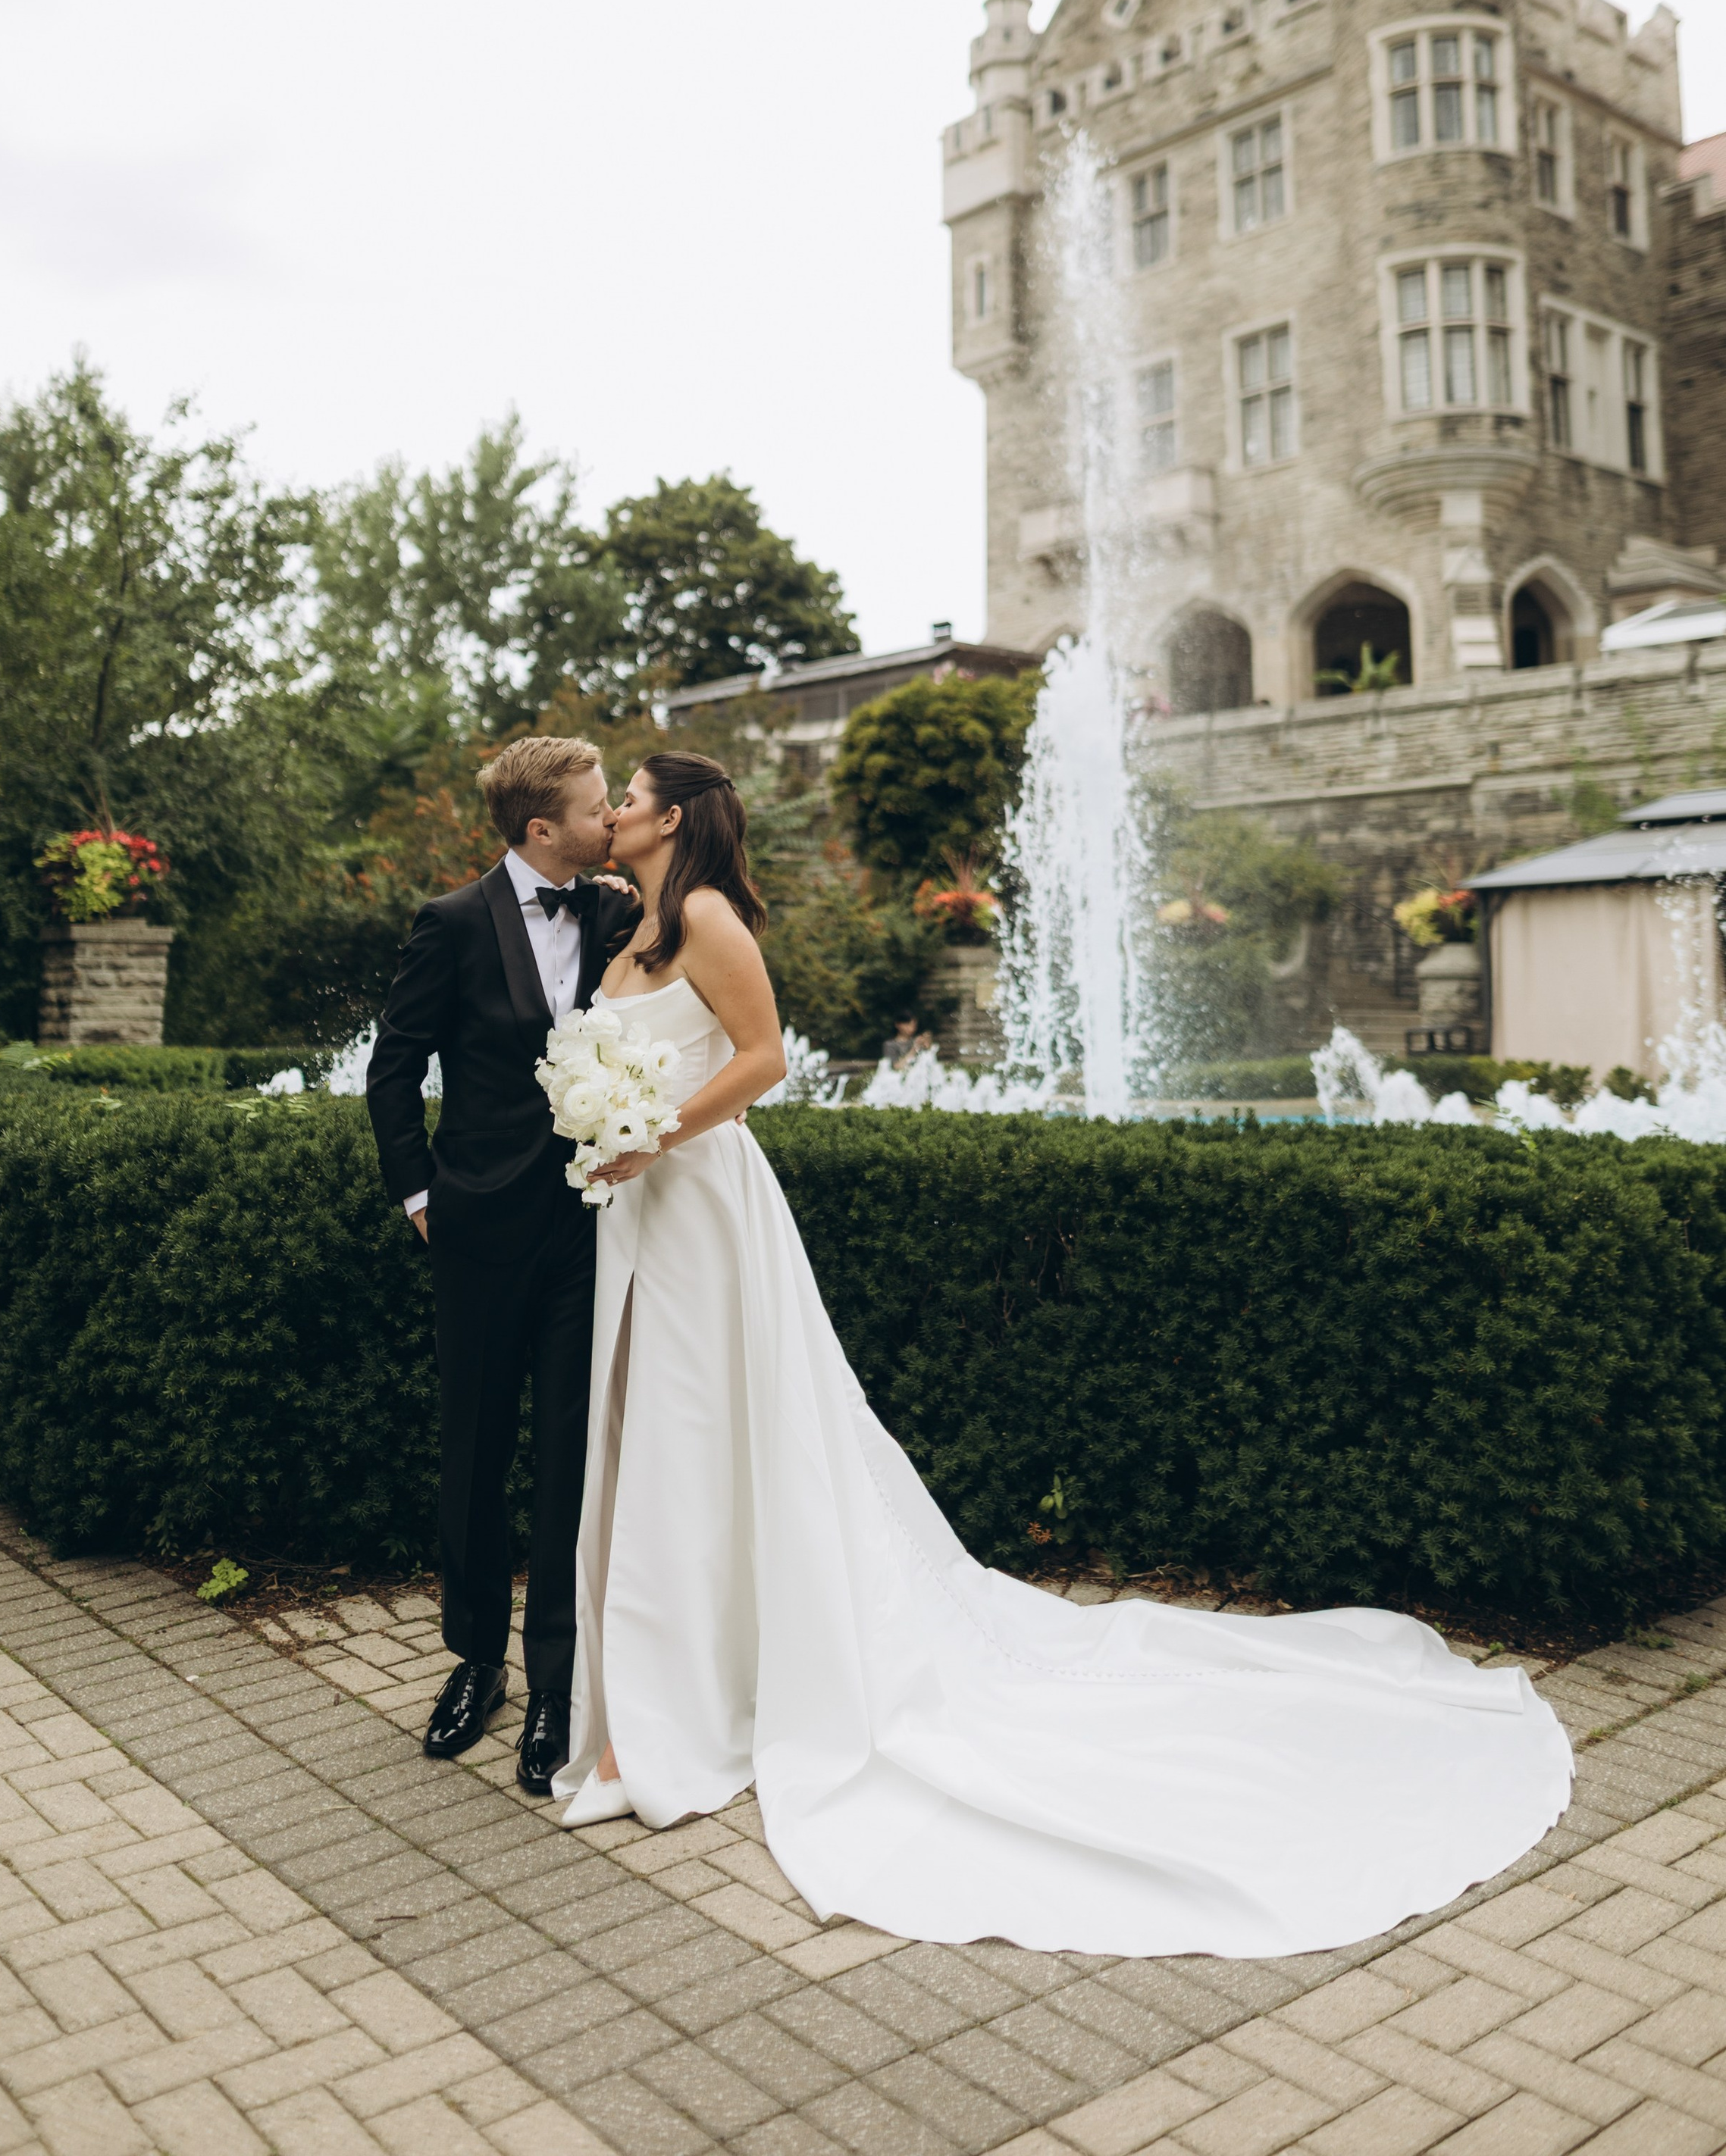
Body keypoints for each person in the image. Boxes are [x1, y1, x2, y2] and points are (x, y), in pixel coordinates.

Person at [549, 748, 1574, 1957]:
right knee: (668, 1436)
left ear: (671, 817)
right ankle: (681, 1687)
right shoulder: (636, 923)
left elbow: (766, 1058)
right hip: (645, 1212)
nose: (611, 813)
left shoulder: (711, 914)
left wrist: (650, 1128)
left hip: (701, 1202)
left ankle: (662, 1723)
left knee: (696, 1433)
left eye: (626, 799)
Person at [366, 735, 640, 1799]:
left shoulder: (617, 910)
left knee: (571, 1461)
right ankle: (474, 1664)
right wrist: (421, 1196)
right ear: (542, 829)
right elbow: (394, 1069)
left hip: (588, 1230)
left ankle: (557, 1689)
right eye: (595, 804)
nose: (610, 817)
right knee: (475, 1450)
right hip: (477, 1230)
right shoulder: (450, 925)